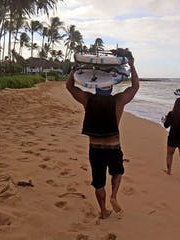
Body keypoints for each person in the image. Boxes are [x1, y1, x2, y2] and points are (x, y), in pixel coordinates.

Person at [66, 53, 139, 219]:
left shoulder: (88, 99)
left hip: (95, 148)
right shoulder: (119, 100)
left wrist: (74, 69)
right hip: (114, 146)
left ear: (96, 86)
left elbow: (69, 87)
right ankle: (114, 196)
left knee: (98, 182)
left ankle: (104, 210)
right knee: (117, 172)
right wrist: (133, 66)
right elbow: (135, 87)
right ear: (111, 86)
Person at [162, 97, 180, 184]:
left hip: (173, 137)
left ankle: (169, 170)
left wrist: (165, 119)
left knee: (169, 154)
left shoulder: (171, 114)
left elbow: (166, 126)